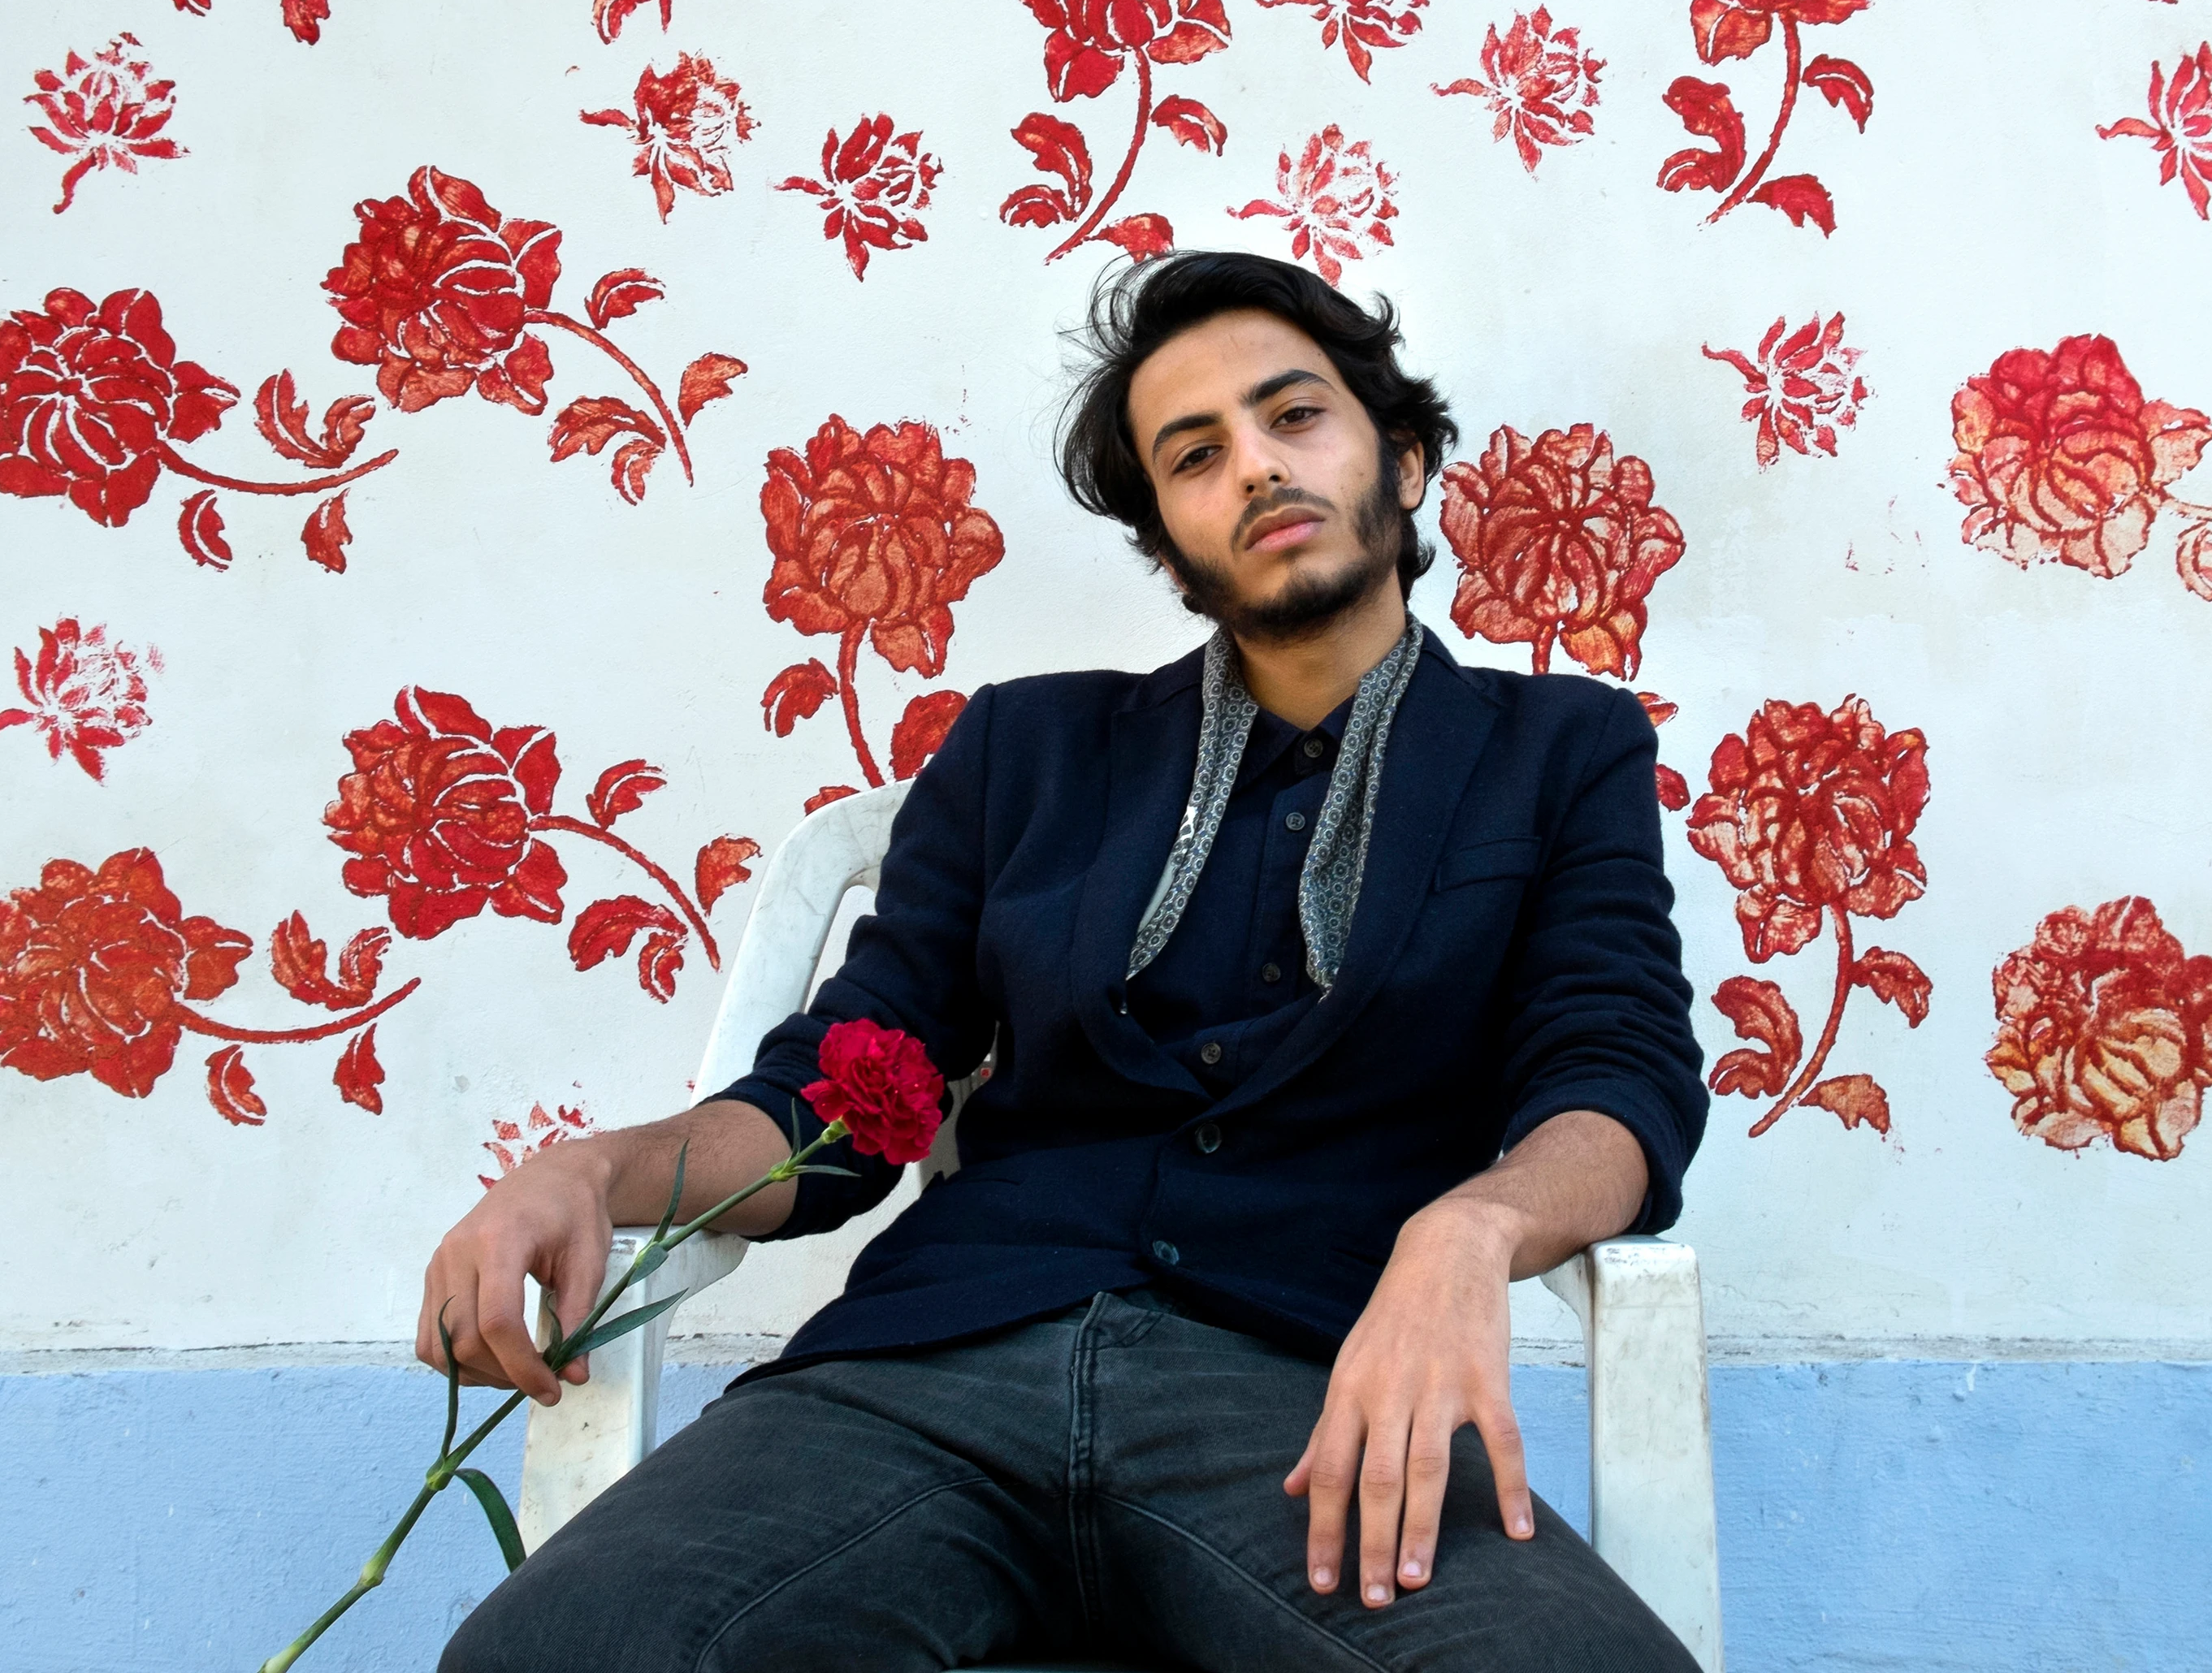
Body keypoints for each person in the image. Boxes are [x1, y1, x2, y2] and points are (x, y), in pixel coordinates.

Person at [433, 251, 1708, 1671]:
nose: (1257, 470)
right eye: (1197, 455)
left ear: (1402, 461)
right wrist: (589, 1170)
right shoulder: (1027, 750)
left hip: (1312, 1389)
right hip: (931, 1375)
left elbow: (1620, 1079)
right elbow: (852, 1099)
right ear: (1170, 546)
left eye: (1297, 418)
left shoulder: (1558, 755)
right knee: (559, 1653)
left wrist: (1467, 1230)